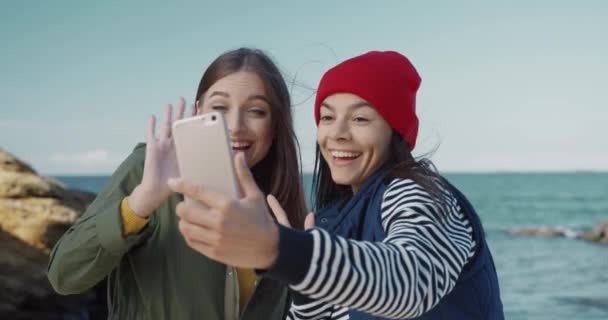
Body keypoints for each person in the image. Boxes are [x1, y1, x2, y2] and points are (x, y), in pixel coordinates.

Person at [169, 50, 505, 319]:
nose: (337, 134)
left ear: (394, 131)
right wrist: (302, 286)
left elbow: (409, 283)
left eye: (360, 118)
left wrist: (280, 248)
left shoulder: (418, 194)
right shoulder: (333, 217)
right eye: (327, 117)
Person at [47, 47, 307, 320]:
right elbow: (63, 276)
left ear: (275, 123)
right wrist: (141, 202)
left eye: (256, 111)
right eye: (219, 108)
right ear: (198, 112)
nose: (236, 125)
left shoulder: (280, 205)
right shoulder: (147, 169)